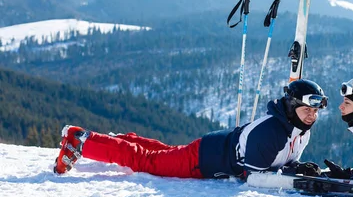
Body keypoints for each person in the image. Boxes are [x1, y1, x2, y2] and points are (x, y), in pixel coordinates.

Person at [54, 79, 328, 179]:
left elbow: (278, 162)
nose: (312, 116)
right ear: (292, 106)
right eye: (307, 109)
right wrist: (290, 174)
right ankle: (83, 141)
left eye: (315, 111)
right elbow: (253, 177)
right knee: (146, 161)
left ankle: (117, 141)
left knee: (163, 152)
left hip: (212, 148)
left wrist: (297, 167)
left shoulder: (298, 128)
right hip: (204, 161)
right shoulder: (272, 132)